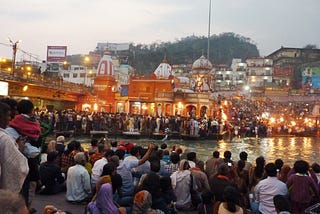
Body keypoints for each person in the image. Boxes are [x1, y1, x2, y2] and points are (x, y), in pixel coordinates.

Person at [0, 102, 29, 193]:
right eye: (8, 115)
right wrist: (19, 150)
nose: (10, 118)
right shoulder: (4, 138)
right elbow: (17, 167)